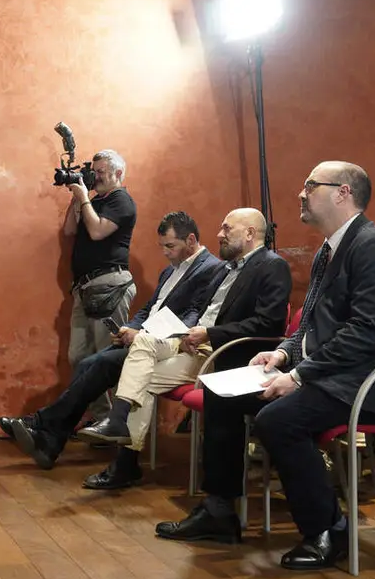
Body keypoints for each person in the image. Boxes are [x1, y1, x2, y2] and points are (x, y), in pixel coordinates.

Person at [157, 161, 375, 572]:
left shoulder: (373, 247)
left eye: (310, 185)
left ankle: (328, 529)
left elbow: (369, 332)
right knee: (220, 393)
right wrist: (283, 353)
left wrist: (299, 375)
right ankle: (220, 511)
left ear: (343, 193)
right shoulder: (330, 249)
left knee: (280, 420)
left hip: (370, 382)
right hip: (333, 373)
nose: (300, 193)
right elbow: (313, 322)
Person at [75, 208, 292, 490]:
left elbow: (269, 324)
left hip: (222, 352)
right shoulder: (225, 268)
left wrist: (209, 334)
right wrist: (188, 332)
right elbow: (198, 310)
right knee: (142, 348)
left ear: (250, 234)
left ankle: (124, 458)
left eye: (227, 229)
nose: (219, 234)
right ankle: (121, 439)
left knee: (140, 377)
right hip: (191, 343)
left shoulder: (272, 265)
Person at [0, 211, 223, 468]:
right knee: (86, 363)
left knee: (101, 364)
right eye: (162, 246)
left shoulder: (212, 269)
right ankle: (50, 441)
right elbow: (148, 309)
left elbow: (192, 317)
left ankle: (42, 425)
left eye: (170, 246)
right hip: (145, 340)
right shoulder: (168, 272)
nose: (165, 252)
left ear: (191, 240)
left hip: (170, 347)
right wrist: (129, 328)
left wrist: (142, 334)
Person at [62, 150, 137, 418]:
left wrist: (84, 198)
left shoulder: (122, 201)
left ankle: (121, 422)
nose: (96, 177)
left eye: (101, 172)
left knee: (109, 356)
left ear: (118, 173)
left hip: (109, 285)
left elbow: (97, 231)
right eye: (94, 172)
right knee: (78, 356)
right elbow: (71, 230)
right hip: (84, 287)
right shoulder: (92, 201)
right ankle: (103, 419)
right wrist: (77, 198)